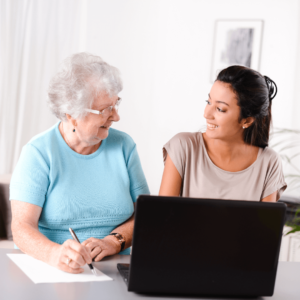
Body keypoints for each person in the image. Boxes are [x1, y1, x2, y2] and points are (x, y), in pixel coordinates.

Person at [10, 52, 150, 274]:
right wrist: (54, 254)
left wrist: (114, 241)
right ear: (72, 114)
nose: (116, 117)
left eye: (116, 105)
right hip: (54, 270)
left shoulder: (124, 146)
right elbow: (21, 227)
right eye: (106, 109)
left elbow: (145, 213)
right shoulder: (38, 153)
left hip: (117, 270)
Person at [159, 65, 287, 202]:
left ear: (247, 120)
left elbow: (265, 223)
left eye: (220, 109)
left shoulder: (269, 163)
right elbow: (162, 217)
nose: (206, 114)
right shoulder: (183, 146)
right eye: (208, 102)